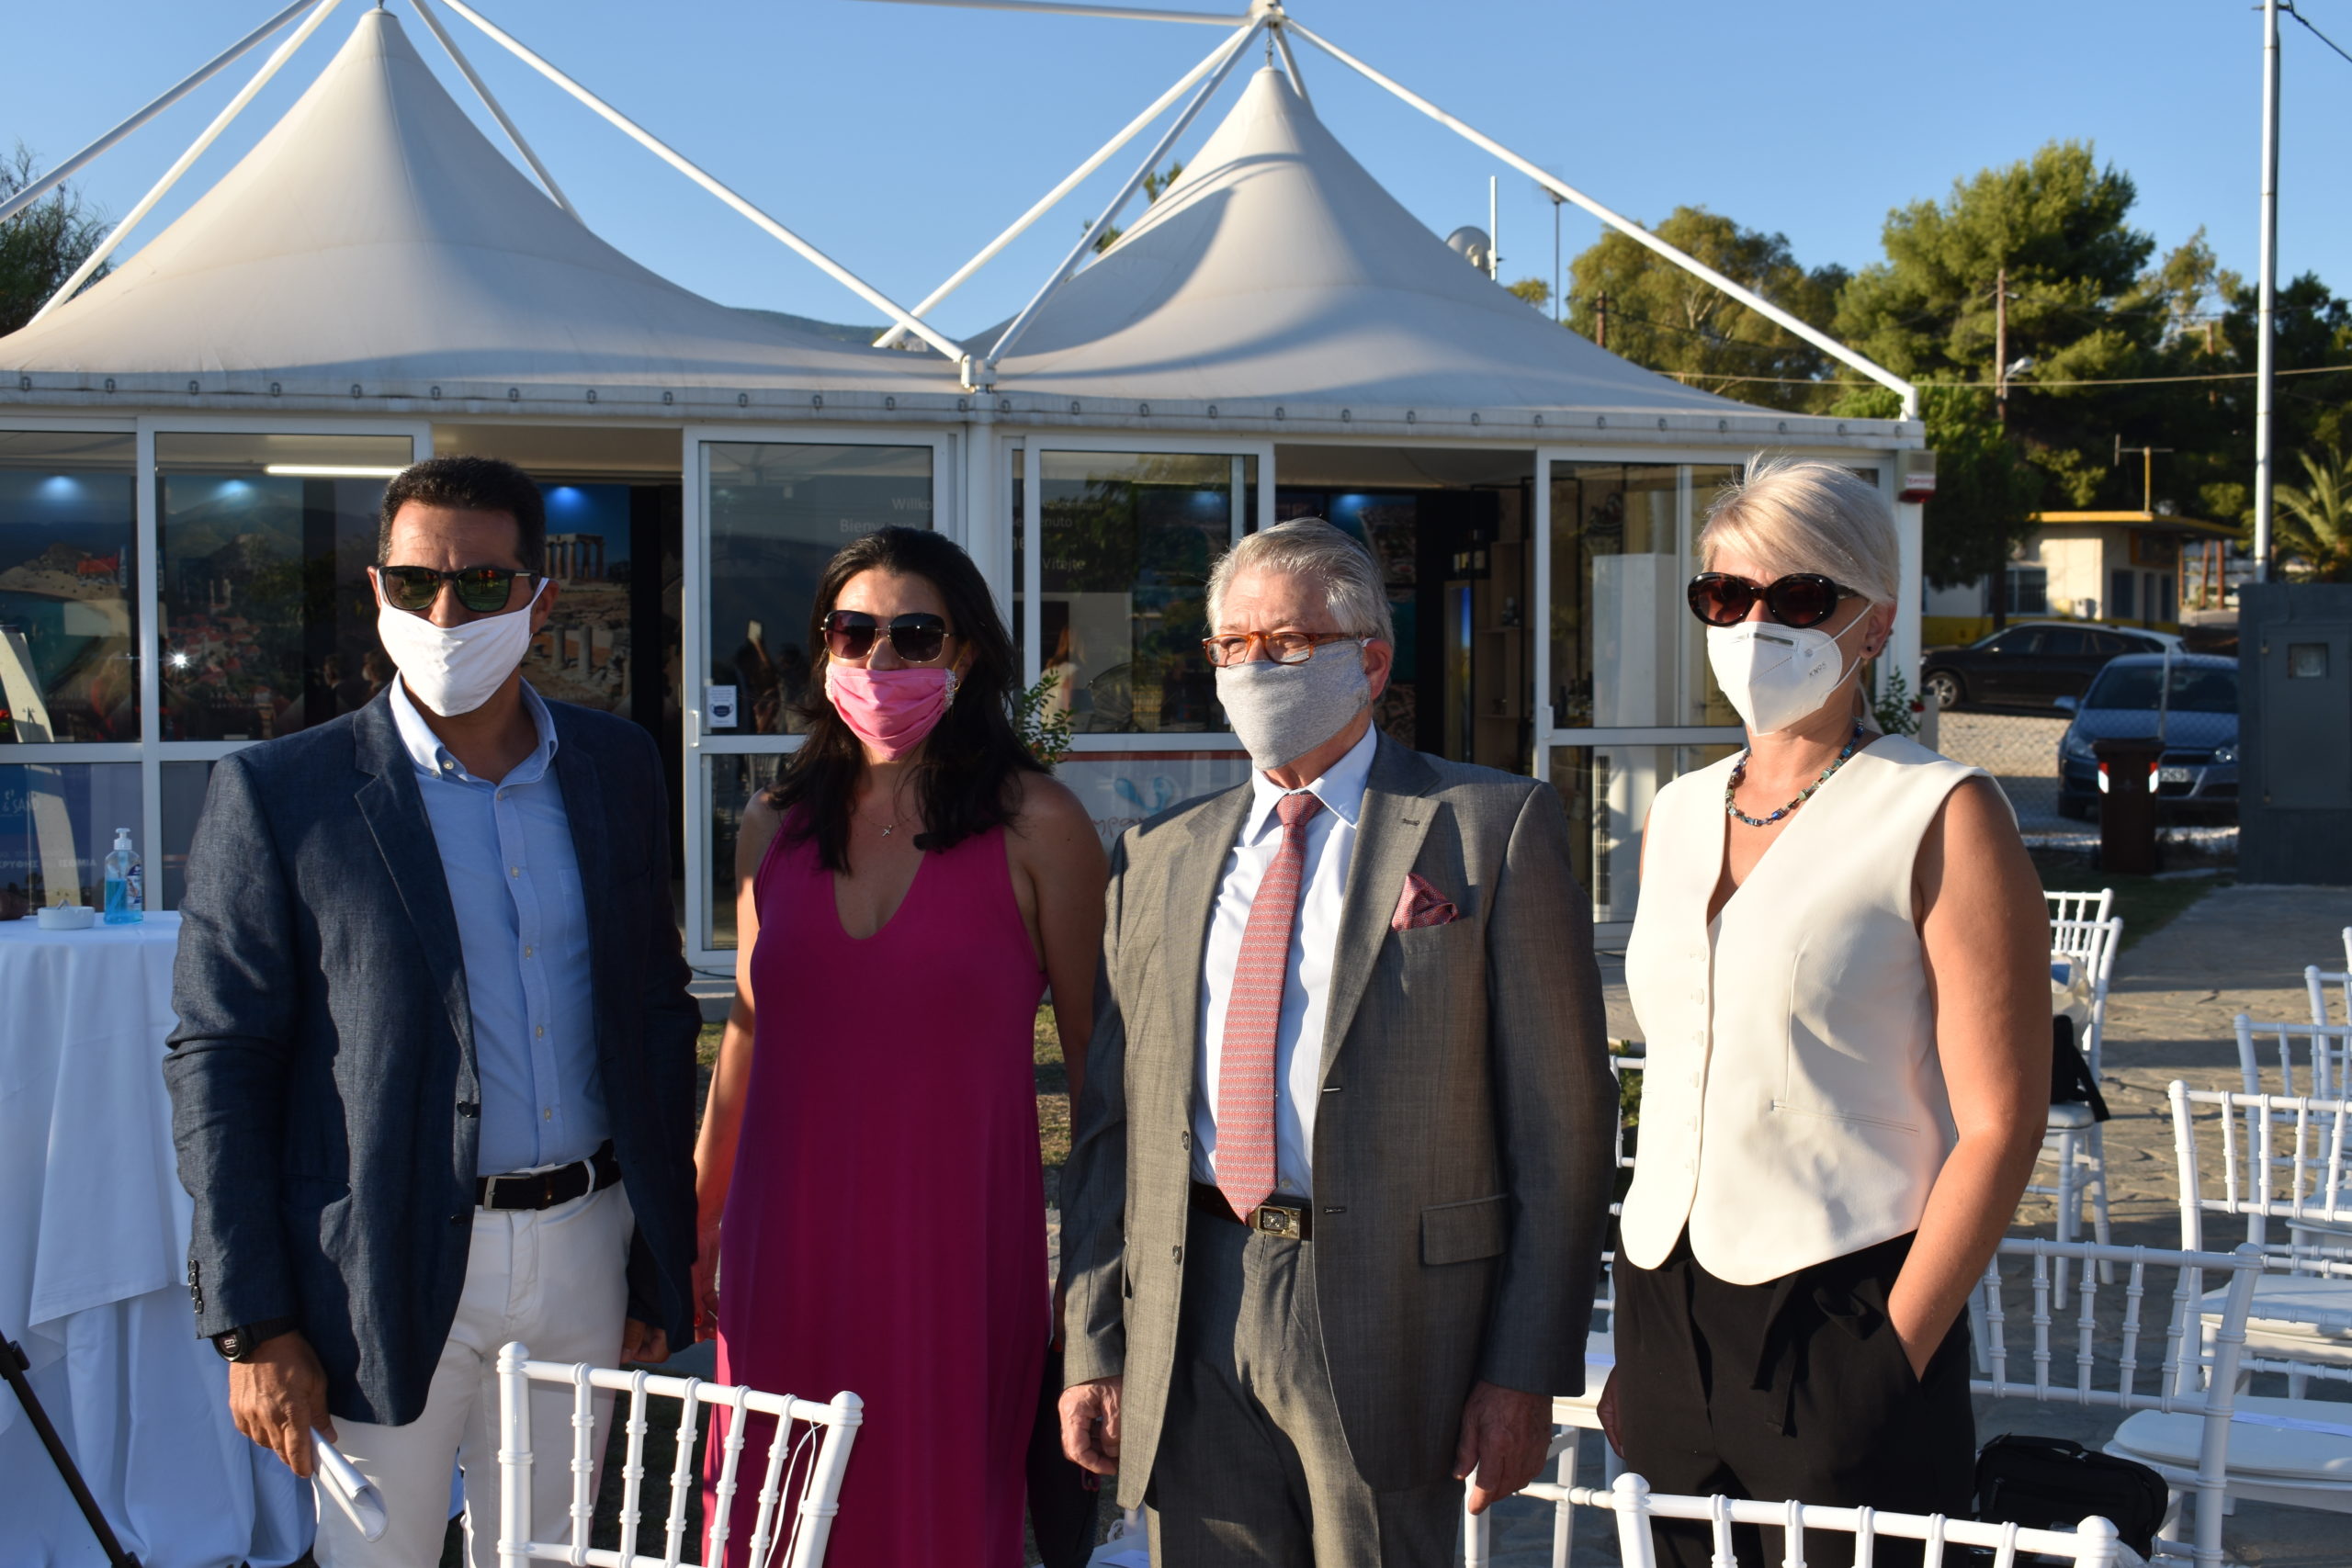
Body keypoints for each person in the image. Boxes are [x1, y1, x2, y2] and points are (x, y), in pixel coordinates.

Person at [164, 456, 700, 1566]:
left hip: (585, 1242)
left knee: (551, 1554)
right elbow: (221, 1057)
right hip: (379, 1258)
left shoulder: (617, 767)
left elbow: (654, 1011)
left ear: (540, 602)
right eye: (416, 583)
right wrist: (253, 1321)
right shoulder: (280, 792)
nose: (446, 612)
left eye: (483, 583)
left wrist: (658, 1259)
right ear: (378, 590)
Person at [1057, 517, 1616, 1568]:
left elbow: (1564, 1127)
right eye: (1232, 645)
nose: (1253, 669)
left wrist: (1523, 1368)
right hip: (1191, 1295)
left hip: (1395, 1316)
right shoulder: (1155, 855)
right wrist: (1091, 1341)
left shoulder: (1489, 826)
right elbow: (1111, 1127)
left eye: (1287, 643)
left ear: (1370, 662)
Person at [1610, 458, 2051, 1568]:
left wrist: (1889, 1356)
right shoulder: (1676, 813)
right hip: (1665, 1308)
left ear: (1874, 622)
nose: (1757, 625)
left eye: (1800, 597)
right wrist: (1638, 1347)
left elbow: (2002, 1121)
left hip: (1846, 1298)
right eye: (1725, 596)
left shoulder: (1939, 811)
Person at [693, 525, 1107, 1568]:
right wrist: (699, 1220)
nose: (880, 659)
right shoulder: (773, 825)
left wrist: (1098, 1273)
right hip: (782, 1245)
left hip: (955, 1253)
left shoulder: (1040, 825)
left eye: (915, 635)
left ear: (967, 653)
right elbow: (745, 1037)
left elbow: (1099, 1072)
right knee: (771, 1515)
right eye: (853, 632)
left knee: (935, 1514)